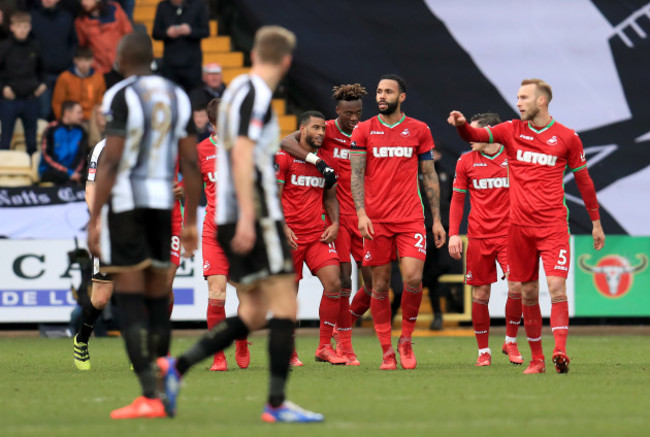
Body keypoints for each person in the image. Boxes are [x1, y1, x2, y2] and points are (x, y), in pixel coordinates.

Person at [156, 25, 323, 423]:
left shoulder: (237, 93)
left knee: (252, 313)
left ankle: (176, 368)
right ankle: (276, 404)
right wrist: (250, 215)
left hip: (232, 214)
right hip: (253, 214)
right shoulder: (257, 97)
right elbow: (245, 155)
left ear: (253, 56)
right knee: (285, 307)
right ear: (286, 61)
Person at [447, 78, 605, 374]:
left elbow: (584, 181)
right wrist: (461, 126)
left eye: (523, 97)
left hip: (553, 226)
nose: (518, 102)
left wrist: (596, 222)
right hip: (518, 229)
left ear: (541, 101)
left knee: (556, 288)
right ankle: (537, 359)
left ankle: (559, 350)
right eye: (517, 97)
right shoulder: (510, 130)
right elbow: (476, 133)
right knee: (528, 293)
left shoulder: (567, 137)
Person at [87, 32, 201, 418]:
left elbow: (113, 159)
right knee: (158, 299)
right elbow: (190, 161)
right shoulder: (177, 94)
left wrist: (95, 218)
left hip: (128, 207)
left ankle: (149, 397)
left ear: (121, 58)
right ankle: (165, 376)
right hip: (163, 207)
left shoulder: (121, 94)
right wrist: (189, 221)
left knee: (132, 300)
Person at [350, 74, 446, 370]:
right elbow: (356, 174)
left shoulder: (419, 130)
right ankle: (386, 351)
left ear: (401, 97)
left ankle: (405, 340)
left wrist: (437, 220)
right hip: (376, 220)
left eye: (388, 92)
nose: (381, 96)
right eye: (379, 91)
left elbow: (429, 175)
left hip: (410, 218)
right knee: (379, 286)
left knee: (413, 279)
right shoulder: (363, 130)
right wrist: (362, 213)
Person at [279, 83, 368, 366]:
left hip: (352, 218)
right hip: (302, 231)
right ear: (338, 112)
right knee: (337, 282)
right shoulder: (316, 139)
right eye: (349, 113)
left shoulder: (366, 133)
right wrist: (314, 160)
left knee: (374, 285)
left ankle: (336, 335)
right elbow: (284, 143)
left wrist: (335, 220)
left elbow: (330, 195)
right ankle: (316, 347)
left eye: (359, 113)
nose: (355, 118)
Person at [448, 112, 529, 366]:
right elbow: (458, 200)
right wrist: (453, 234)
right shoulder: (465, 161)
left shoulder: (514, 156)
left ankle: (510, 341)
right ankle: (483, 351)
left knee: (517, 287)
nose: (470, 138)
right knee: (481, 295)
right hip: (479, 236)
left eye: (474, 133)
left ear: (489, 131)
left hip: (510, 235)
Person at [276, 110, 346, 365]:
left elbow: (330, 197)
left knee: (334, 284)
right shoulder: (283, 158)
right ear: (302, 130)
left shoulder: (326, 161)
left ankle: (324, 347)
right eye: (315, 128)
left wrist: (335, 223)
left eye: (323, 129)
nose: (320, 133)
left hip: (317, 234)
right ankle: (290, 350)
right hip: (290, 236)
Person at [73, 137, 112, 370]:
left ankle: (139, 352)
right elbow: (91, 187)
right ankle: (82, 340)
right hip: (108, 228)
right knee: (101, 298)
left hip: (137, 229)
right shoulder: (102, 147)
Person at [0, 11, 46, 155]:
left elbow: (43, 69)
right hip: (9, 99)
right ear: (12, 27)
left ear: (30, 27)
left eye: (25, 26)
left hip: (30, 99)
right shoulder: (4, 47)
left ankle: (32, 175)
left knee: (32, 142)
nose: (22, 30)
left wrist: (42, 84)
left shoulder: (35, 46)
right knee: (5, 140)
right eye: (19, 26)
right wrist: (2, 88)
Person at [30, 0, 78, 120]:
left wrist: (68, 59)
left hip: (63, 71)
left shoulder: (66, 16)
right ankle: (45, 138)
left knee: (64, 112)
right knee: (43, 112)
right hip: (41, 76)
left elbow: (73, 42)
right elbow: (28, 45)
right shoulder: (33, 16)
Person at [152, 0, 209, 92]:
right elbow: (155, 33)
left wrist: (190, 31)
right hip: (170, 62)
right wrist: (167, 33)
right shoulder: (162, 6)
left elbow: (206, 31)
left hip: (192, 63)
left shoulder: (199, 5)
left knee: (194, 96)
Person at [75, 0, 132, 74]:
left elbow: (129, 35)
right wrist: (94, 65)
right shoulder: (80, 22)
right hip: (100, 72)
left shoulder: (115, 10)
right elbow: (82, 48)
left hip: (122, 67)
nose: (83, 3)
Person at [51, 47, 106, 124]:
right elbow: (57, 103)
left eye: (87, 60)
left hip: (91, 119)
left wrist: (98, 118)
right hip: (70, 120)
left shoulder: (98, 78)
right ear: (75, 60)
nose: (84, 64)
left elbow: (100, 101)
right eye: (80, 60)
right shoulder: (65, 77)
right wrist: (62, 120)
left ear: (92, 61)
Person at [39, 100, 87, 184]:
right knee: (62, 177)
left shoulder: (81, 131)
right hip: (52, 171)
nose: (82, 116)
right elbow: (47, 156)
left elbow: (82, 156)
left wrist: (74, 173)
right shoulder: (51, 129)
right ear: (67, 113)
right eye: (78, 113)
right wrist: (68, 173)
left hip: (74, 172)